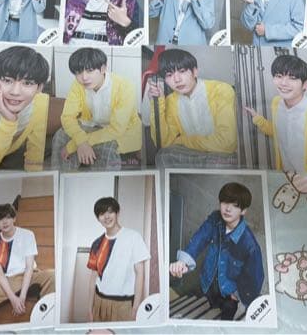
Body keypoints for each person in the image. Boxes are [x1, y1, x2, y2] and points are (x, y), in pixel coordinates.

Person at [168, 182, 265, 321]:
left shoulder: (249, 245)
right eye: (225, 202)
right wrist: (183, 262)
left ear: (243, 210)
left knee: (227, 315)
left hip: (230, 294)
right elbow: (199, 238)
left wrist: (237, 295)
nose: (228, 209)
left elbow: (255, 278)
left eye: (235, 205)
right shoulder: (215, 219)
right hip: (209, 282)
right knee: (210, 305)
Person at [144, 48, 238, 167]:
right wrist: (157, 103)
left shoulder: (221, 90)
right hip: (191, 154)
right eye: (169, 75)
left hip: (222, 156)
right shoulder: (171, 100)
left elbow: (227, 143)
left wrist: (182, 140)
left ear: (195, 72)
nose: (177, 80)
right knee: (162, 156)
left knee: (218, 164)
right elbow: (163, 142)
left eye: (182, 71)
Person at [52, 47, 140, 171]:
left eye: (90, 71)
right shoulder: (78, 85)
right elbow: (67, 117)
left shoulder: (125, 87)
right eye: (78, 72)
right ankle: (62, 179)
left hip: (120, 131)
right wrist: (81, 141)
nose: (84, 77)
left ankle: (102, 182)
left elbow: (117, 129)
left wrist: (76, 144)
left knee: (107, 148)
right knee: (60, 137)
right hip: (90, 125)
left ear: (103, 69)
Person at [0, 203, 55, 327]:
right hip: (8, 279)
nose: (4, 222)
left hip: (31, 274)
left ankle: (43, 313)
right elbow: (0, 274)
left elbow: (29, 267)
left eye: (8, 217)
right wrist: (13, 299)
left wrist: (22, 297)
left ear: (14, 218)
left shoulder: (27, 235)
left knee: (53, 275)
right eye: (0, 219)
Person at [242, 53, 307, 173]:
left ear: (306, 84)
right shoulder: (276, 102)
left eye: (292, 78)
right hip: (286, 174)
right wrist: (257, 118)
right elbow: (279, 131)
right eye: (279, 76)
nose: (283, 83)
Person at [85, 197, 150, 322]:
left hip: (123, 305)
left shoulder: (134, 237)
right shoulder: (96, 243)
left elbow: (140, 274)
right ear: (98, 218)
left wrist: (136, 307)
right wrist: (89, 309)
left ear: (117, 213)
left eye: (110, 212)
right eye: (102, 213)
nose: (106, 216)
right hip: (99, 302)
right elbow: (93, 278)